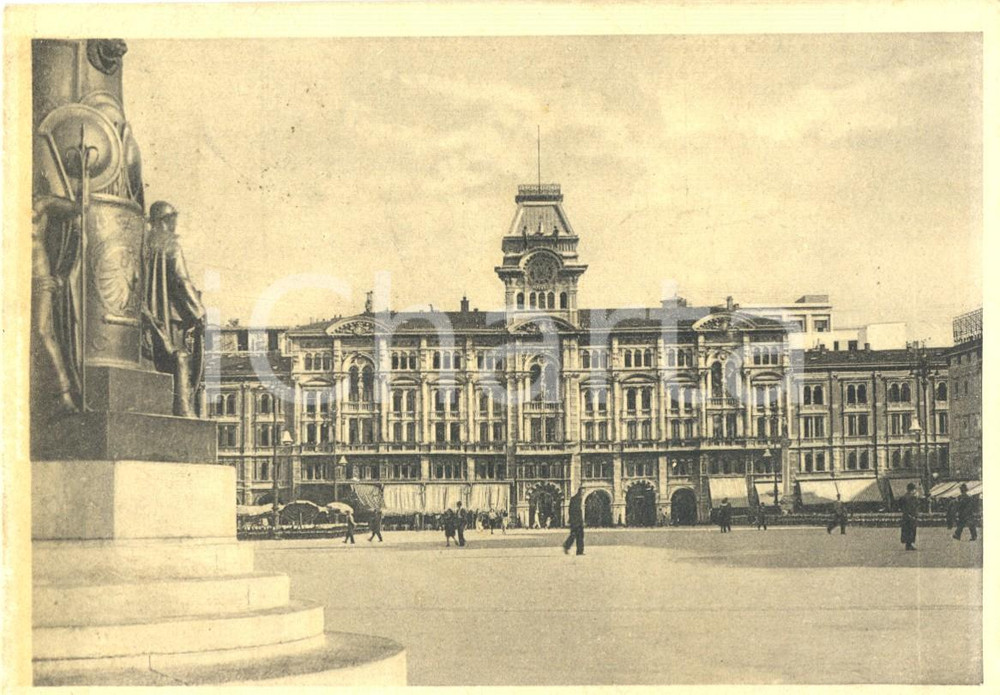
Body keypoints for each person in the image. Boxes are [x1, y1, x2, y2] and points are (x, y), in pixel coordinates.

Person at [142, 201, 205, 417]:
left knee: (158, 362)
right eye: (173, 218)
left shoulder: (144, 244)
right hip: (171, 316)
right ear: (166, 220)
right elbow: (182, 280)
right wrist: (198, 311)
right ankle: (183, 408)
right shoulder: (172, 246)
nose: (175, 223)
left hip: (148, 314)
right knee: (179, 357)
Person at [563, 486, 585, 555]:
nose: (583, 493)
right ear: (579, 491)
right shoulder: (576, 499)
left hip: (577, 521)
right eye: (582, 492)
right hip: (576, 521)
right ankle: (567, 546)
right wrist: (576, 520)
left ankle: (579, 551)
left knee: (579, 535)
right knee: (575, 535)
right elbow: (574, 511)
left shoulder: (577, 498)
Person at [899, 482, 920, 551]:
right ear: (912, 490)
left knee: (907, 530)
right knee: (911, 530)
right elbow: (913, 507)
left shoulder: (904, 497)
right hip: (910, 516)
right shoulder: (911, 498)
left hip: (906, 516)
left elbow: (901, 506)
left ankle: (908, 544)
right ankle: (909, 544)